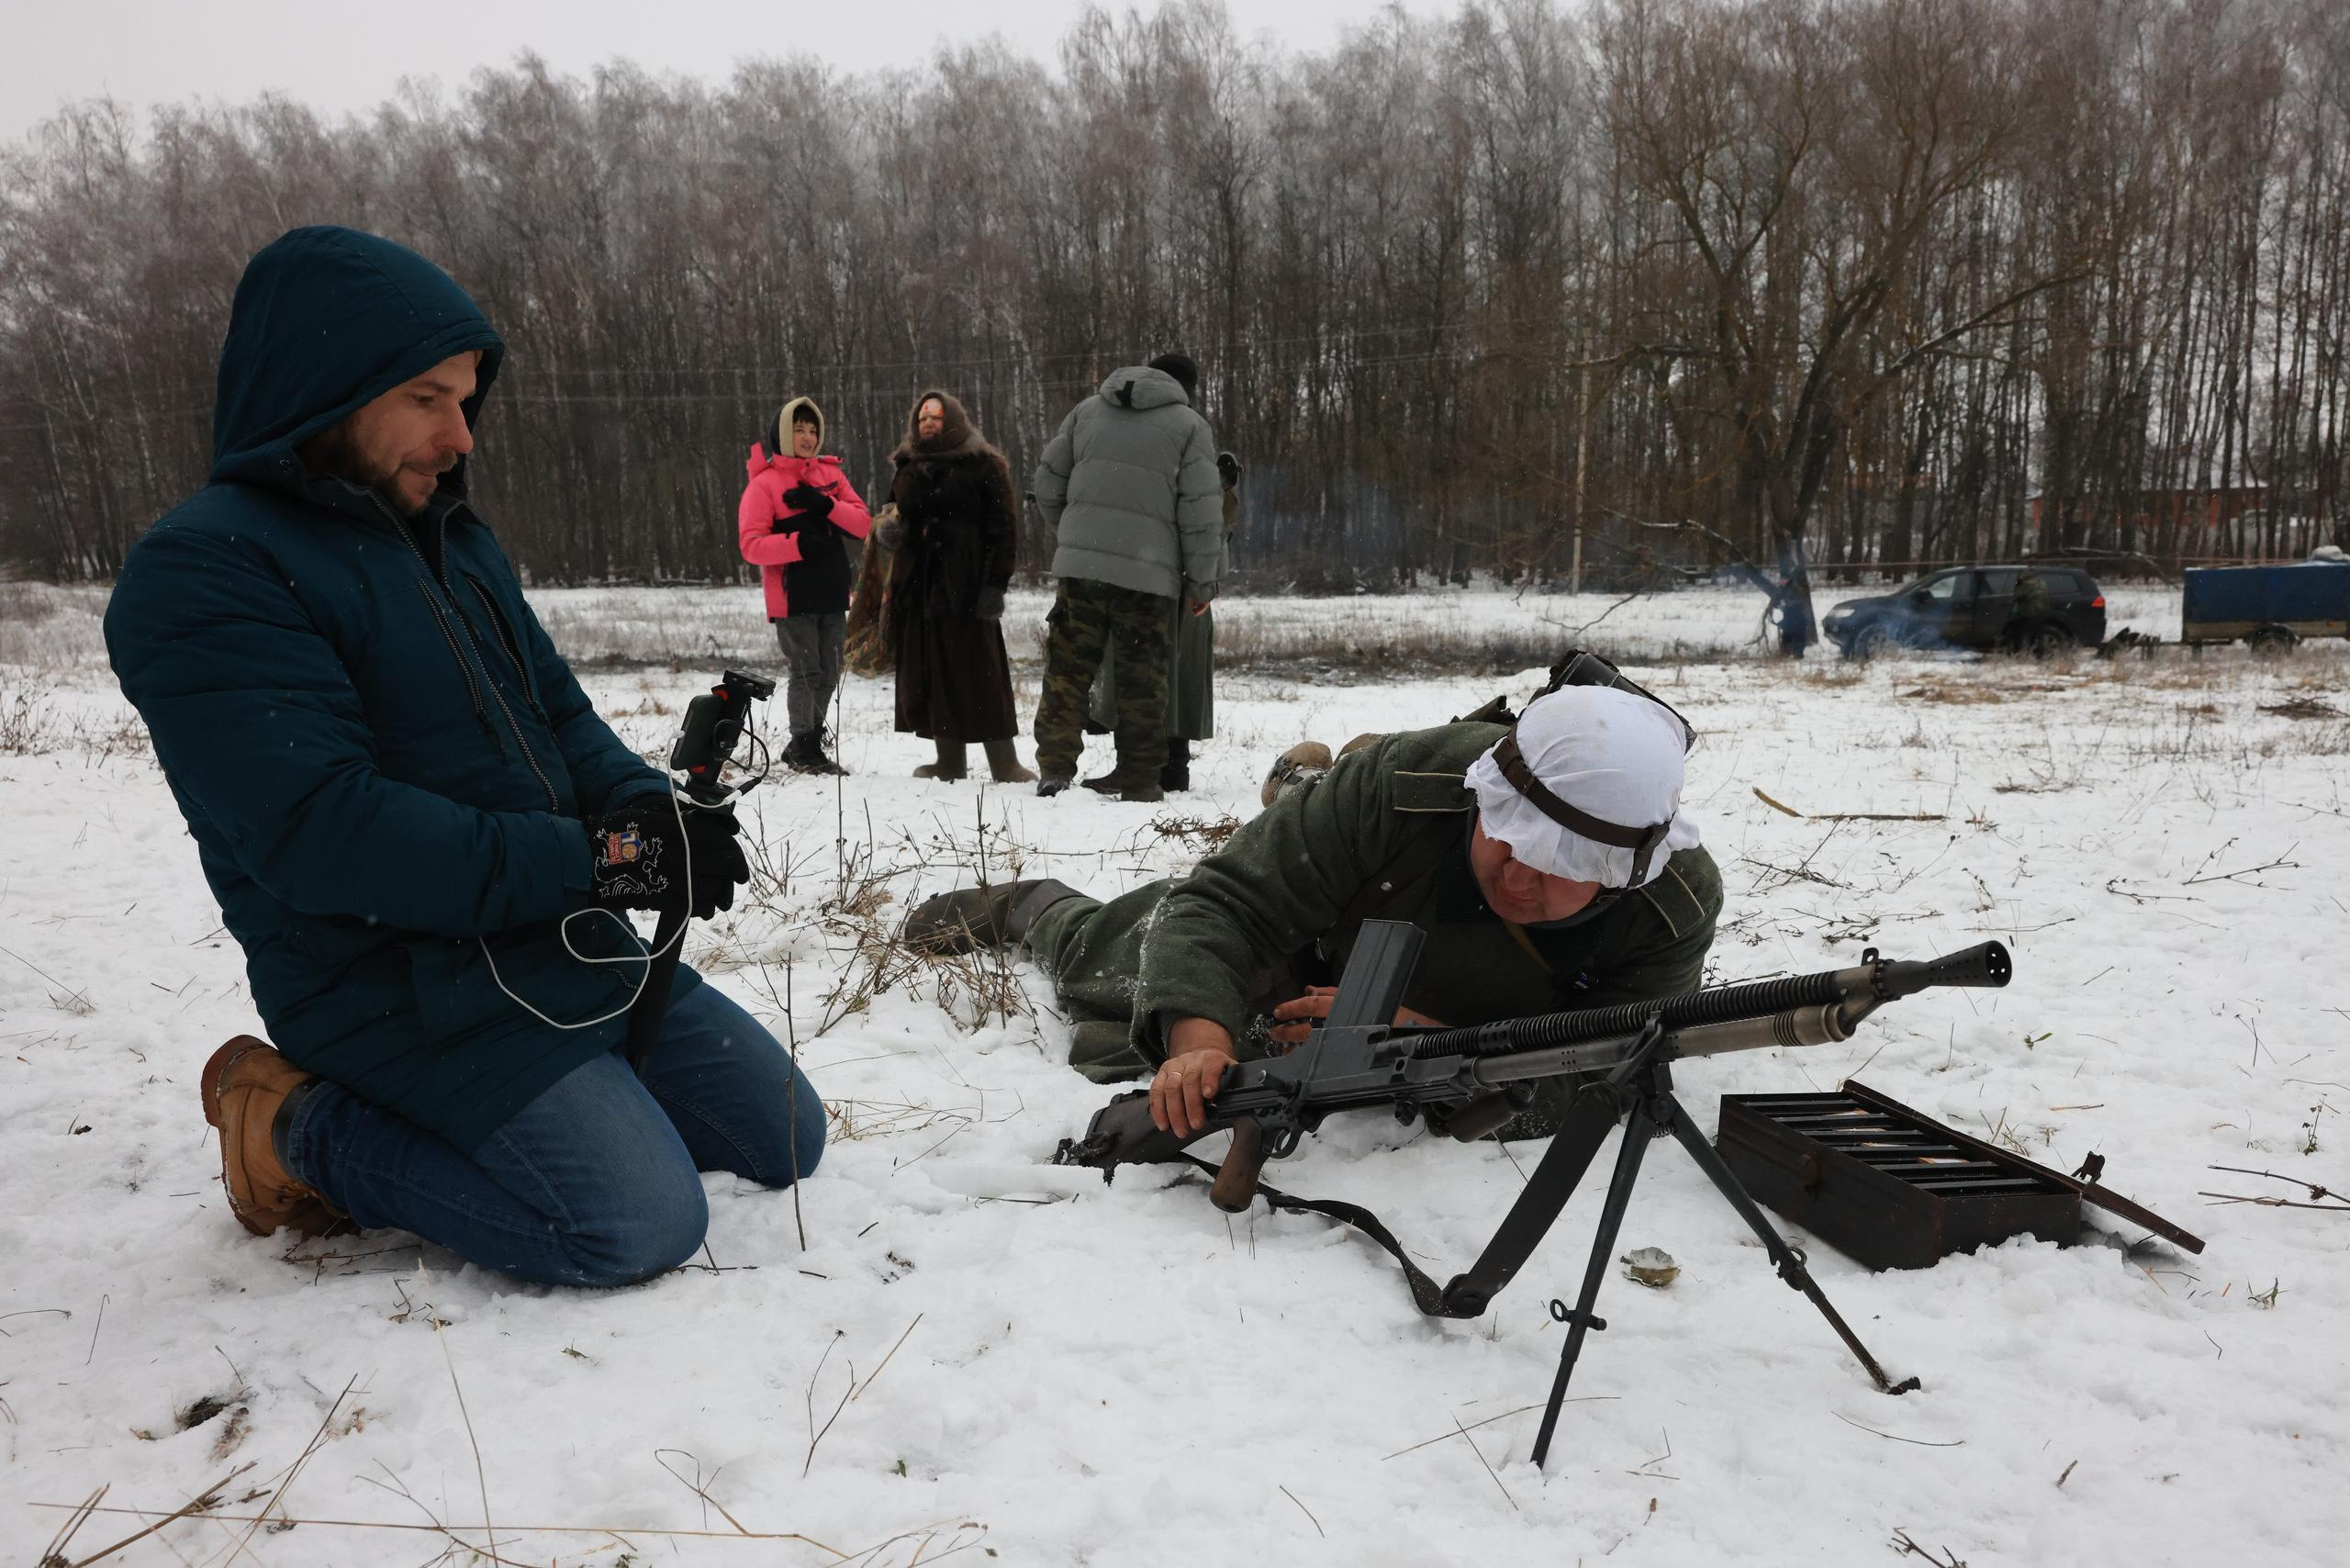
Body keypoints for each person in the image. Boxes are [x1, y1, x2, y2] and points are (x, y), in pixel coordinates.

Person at [104, 226, 824, 1288]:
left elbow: (562, 721)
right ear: (324, 390)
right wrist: (603, 861)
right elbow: (328, 835)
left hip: (553, 939)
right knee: (632, 1224)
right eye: (427, 399)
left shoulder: (449, 534)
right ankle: (291, 1123)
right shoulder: (208, 572)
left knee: (782, 1135)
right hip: (391, 985)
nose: (461, 435)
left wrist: (649, 822)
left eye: (466, 398)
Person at [904, 684, 1720, 1138]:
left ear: (1621, 873)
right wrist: (1196, 1041)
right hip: (1320, 947)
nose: (1515, 876)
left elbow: (1609, 1074)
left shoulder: (1670, 907)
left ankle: (1296, 788)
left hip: (1459, 1024)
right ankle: (1034, 907)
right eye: (1506, 838)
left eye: (1554, 869)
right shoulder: (1411, 782)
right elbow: (1222, 905)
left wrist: (1440, 1052)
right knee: (1122, 958)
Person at [1028, 353, 1225, 801]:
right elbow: (1200, 514)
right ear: (1185, 387)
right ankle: (1139, 779)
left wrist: (1076, 535)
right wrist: (1201, 582)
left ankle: (1055, 771)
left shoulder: (1086, 410)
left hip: (1081, 571)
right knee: (1143, 678)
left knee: (1068, 671)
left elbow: (1046, 483)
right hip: (1149, 575)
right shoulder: (1189, 425)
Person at [882, 391, 1035, 782]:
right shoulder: (908, 465)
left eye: (936, 416)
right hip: (920, 585)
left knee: (980, 672)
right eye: (922, 418)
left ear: (954, 421)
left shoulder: (984, 463)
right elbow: (891, 513)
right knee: (932, 669)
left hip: (967, 583)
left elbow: (1004, 528)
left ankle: (1005, 762)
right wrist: (890, 531)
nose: (928, 423)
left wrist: (995, 585)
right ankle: (949, 760)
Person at [1088, 449, 1242, 791]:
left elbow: (1213, 537)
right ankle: (1141, 768)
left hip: (1181, 593)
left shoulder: (1191, 477)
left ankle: (1169, 770)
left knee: (1171, 683)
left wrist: (1204, 586)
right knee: (1141, 680)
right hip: (1152, 588)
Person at [737, 396, 872, 774]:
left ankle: (805, 744)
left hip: (831, 592)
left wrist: (824, 505)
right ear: (783, 434)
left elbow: (863, 525)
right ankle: (805, 749)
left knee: (829, 672)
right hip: (792, 597)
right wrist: (797, 545)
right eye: (799, 429)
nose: (808, 437)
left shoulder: (832, 477)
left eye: (813, 430)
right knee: (806, 671)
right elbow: (751, 545)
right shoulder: (763, 485)